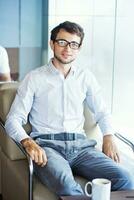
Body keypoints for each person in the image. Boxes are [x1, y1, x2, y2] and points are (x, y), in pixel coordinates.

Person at [5, 21, 133, 196]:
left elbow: (102, 111)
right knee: (66, 186)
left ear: (79, 48)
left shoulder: (85, 77)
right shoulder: (34, 78)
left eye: (74, 44)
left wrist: (108, 136)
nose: (68, 49)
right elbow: (13, 120)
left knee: (125, 178)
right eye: (62, 42)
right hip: (48, 147)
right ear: (52, 43)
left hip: (82, 147)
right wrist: (27, 142)